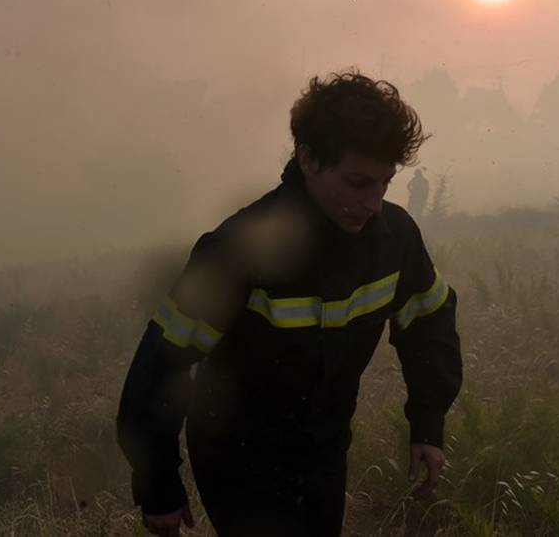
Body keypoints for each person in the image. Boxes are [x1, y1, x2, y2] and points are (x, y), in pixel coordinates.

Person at [116, 72, 463, 536]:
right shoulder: (235, 249)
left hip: (325, 454)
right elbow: (161, 364)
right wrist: (158, 482)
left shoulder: (395, 239)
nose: (374, 203)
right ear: (308, 159)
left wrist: (427, 423)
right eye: (359, 183)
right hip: (238, 462)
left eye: (385, 183)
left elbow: (428, 322)